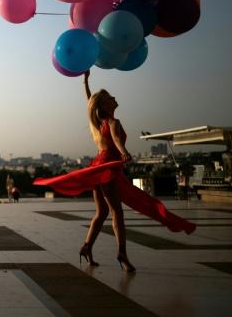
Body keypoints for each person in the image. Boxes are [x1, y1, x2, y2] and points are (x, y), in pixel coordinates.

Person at [33, 71, 196, 272]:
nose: (115, 98)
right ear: (105, 105)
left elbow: (89, 104)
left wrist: (85, 81)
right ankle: (122, 253)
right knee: (116, 212)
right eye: (111, 98)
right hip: (107, 169)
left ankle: (86, 247)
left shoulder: (97, 123)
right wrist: (124, 152)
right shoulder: (112, 123)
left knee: (101, 212)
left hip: (98, 168)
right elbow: (116, 139)